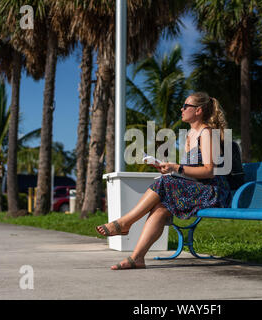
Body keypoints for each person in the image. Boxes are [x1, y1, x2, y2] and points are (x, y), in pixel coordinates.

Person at [95, 92, 232, 270]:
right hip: (197, 188)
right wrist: (168, 168)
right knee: (161, 208)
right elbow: (189, 170)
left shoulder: (206, 133)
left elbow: (209, 171)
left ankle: (125, 223)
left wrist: (177, 168)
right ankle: (137, 258)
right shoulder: (190, 135)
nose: (181, 109)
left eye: (185, 106)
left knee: (164, 184)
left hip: (213, 191)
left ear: (198, 110)